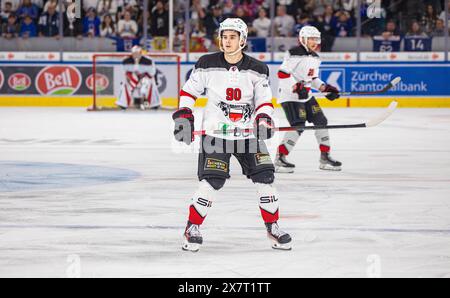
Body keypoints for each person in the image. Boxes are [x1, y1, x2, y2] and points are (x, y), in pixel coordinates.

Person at [172, 18, 292, 252]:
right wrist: (184, 115)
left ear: (243, 40)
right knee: (212, 181)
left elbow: (264, 100)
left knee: (266, 179)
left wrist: (264, 118)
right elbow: (189, 91)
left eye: (232, 37)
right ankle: (192, 228)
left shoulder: (258, 68)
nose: (227, 41)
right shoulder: (206, 63)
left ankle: (273, 227)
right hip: (216, 135)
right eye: (224, 37)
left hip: (248, 136)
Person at [274, 26, 342, 173]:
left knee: (321, 121)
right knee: (298, 125)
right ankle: (279, 158)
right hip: (290, 97)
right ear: (303, 39)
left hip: (306, 96)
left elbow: (314, 79)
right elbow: (282, 74)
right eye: (311, 39)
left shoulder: (316, 57)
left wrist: (326, 89)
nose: (314, 42)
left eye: (316, 39)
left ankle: (325, 157)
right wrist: (296, 87)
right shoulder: (294, 53)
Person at [116, 45, 160, 110]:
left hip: (145, 78)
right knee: (125, 85)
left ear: (140, 53)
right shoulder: (126, 61)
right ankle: (123, 104)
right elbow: (124, 72)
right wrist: (131, 78)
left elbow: (152, 73)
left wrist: (142, 76)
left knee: (150, 84)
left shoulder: (148, 61)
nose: (135, 55)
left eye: (137, 53)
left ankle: (154, 104)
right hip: (132, 78)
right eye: (134, 53)